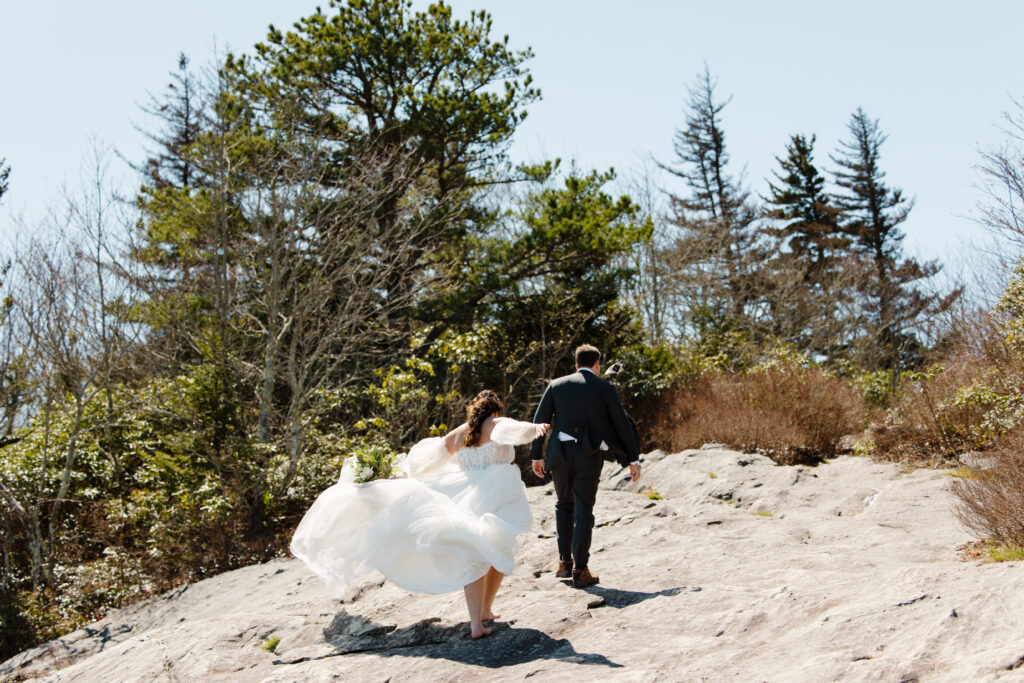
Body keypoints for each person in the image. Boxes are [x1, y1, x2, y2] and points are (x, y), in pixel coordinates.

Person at [290, 390, 548, 639]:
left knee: (491, 552)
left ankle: (484, 611)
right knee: (486, 551)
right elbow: (512, 430)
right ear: (494, 409)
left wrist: (407, 476)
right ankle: (477, 624)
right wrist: (534, 429)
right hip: (491, 495)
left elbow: (433, 459)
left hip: (465, 494)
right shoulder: (495, 423)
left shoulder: (463, 432)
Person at [530, 345, 641, 588]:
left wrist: (536, 455)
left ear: (576, 364)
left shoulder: (556, 385)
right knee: (583, 512)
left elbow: (541, 422)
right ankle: (581, 570)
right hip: (588, 456)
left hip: (559, 455)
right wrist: (632, 458)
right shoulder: (605, 387)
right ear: (597, 364)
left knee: (563, 506)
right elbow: (621, 423)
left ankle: (564, 563)